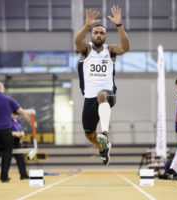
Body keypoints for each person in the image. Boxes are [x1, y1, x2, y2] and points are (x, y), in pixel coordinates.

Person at [75, 5, 129, 166]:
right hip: (89, 98)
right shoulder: (85, 50)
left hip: (108, 95)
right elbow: (77, 41)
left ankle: (105, 133)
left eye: (102, 33)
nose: (99, 35)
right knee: (89, 134)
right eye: (96, 32)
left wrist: (119, 26)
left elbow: (125, 48)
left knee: (102, 95)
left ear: (105, 36)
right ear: (91, 35)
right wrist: (86, 26)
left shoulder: (110, 50)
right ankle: (103, 148)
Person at [11, 113, 29, 180]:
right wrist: (15, 133)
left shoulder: (18, 120)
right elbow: (7, 131)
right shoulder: (8, 121)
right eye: (13, 113)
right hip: (10, 142)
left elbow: (21, 130)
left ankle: (23, 175)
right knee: (7, 159)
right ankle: (4, 176)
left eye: (16, 114)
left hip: (17, 142)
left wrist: (22, 133)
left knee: (21, 159)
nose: (15, 115)